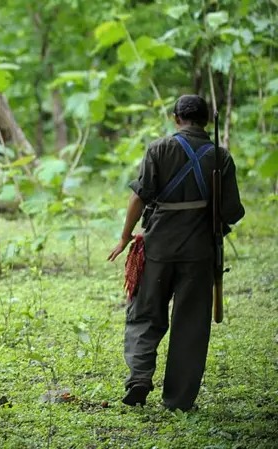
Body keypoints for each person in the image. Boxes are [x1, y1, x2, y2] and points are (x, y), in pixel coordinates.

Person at [108, 94, 245, 411]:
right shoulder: (221, 158)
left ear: (175, 118)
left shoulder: (158, 149)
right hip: (199, 253)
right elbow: (232, 211)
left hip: (158, 249)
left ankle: (139, 379)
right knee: (191, 325)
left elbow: (138, 198)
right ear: (206, 121)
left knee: (144, 315)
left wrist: (126, 237)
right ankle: (179, 400)